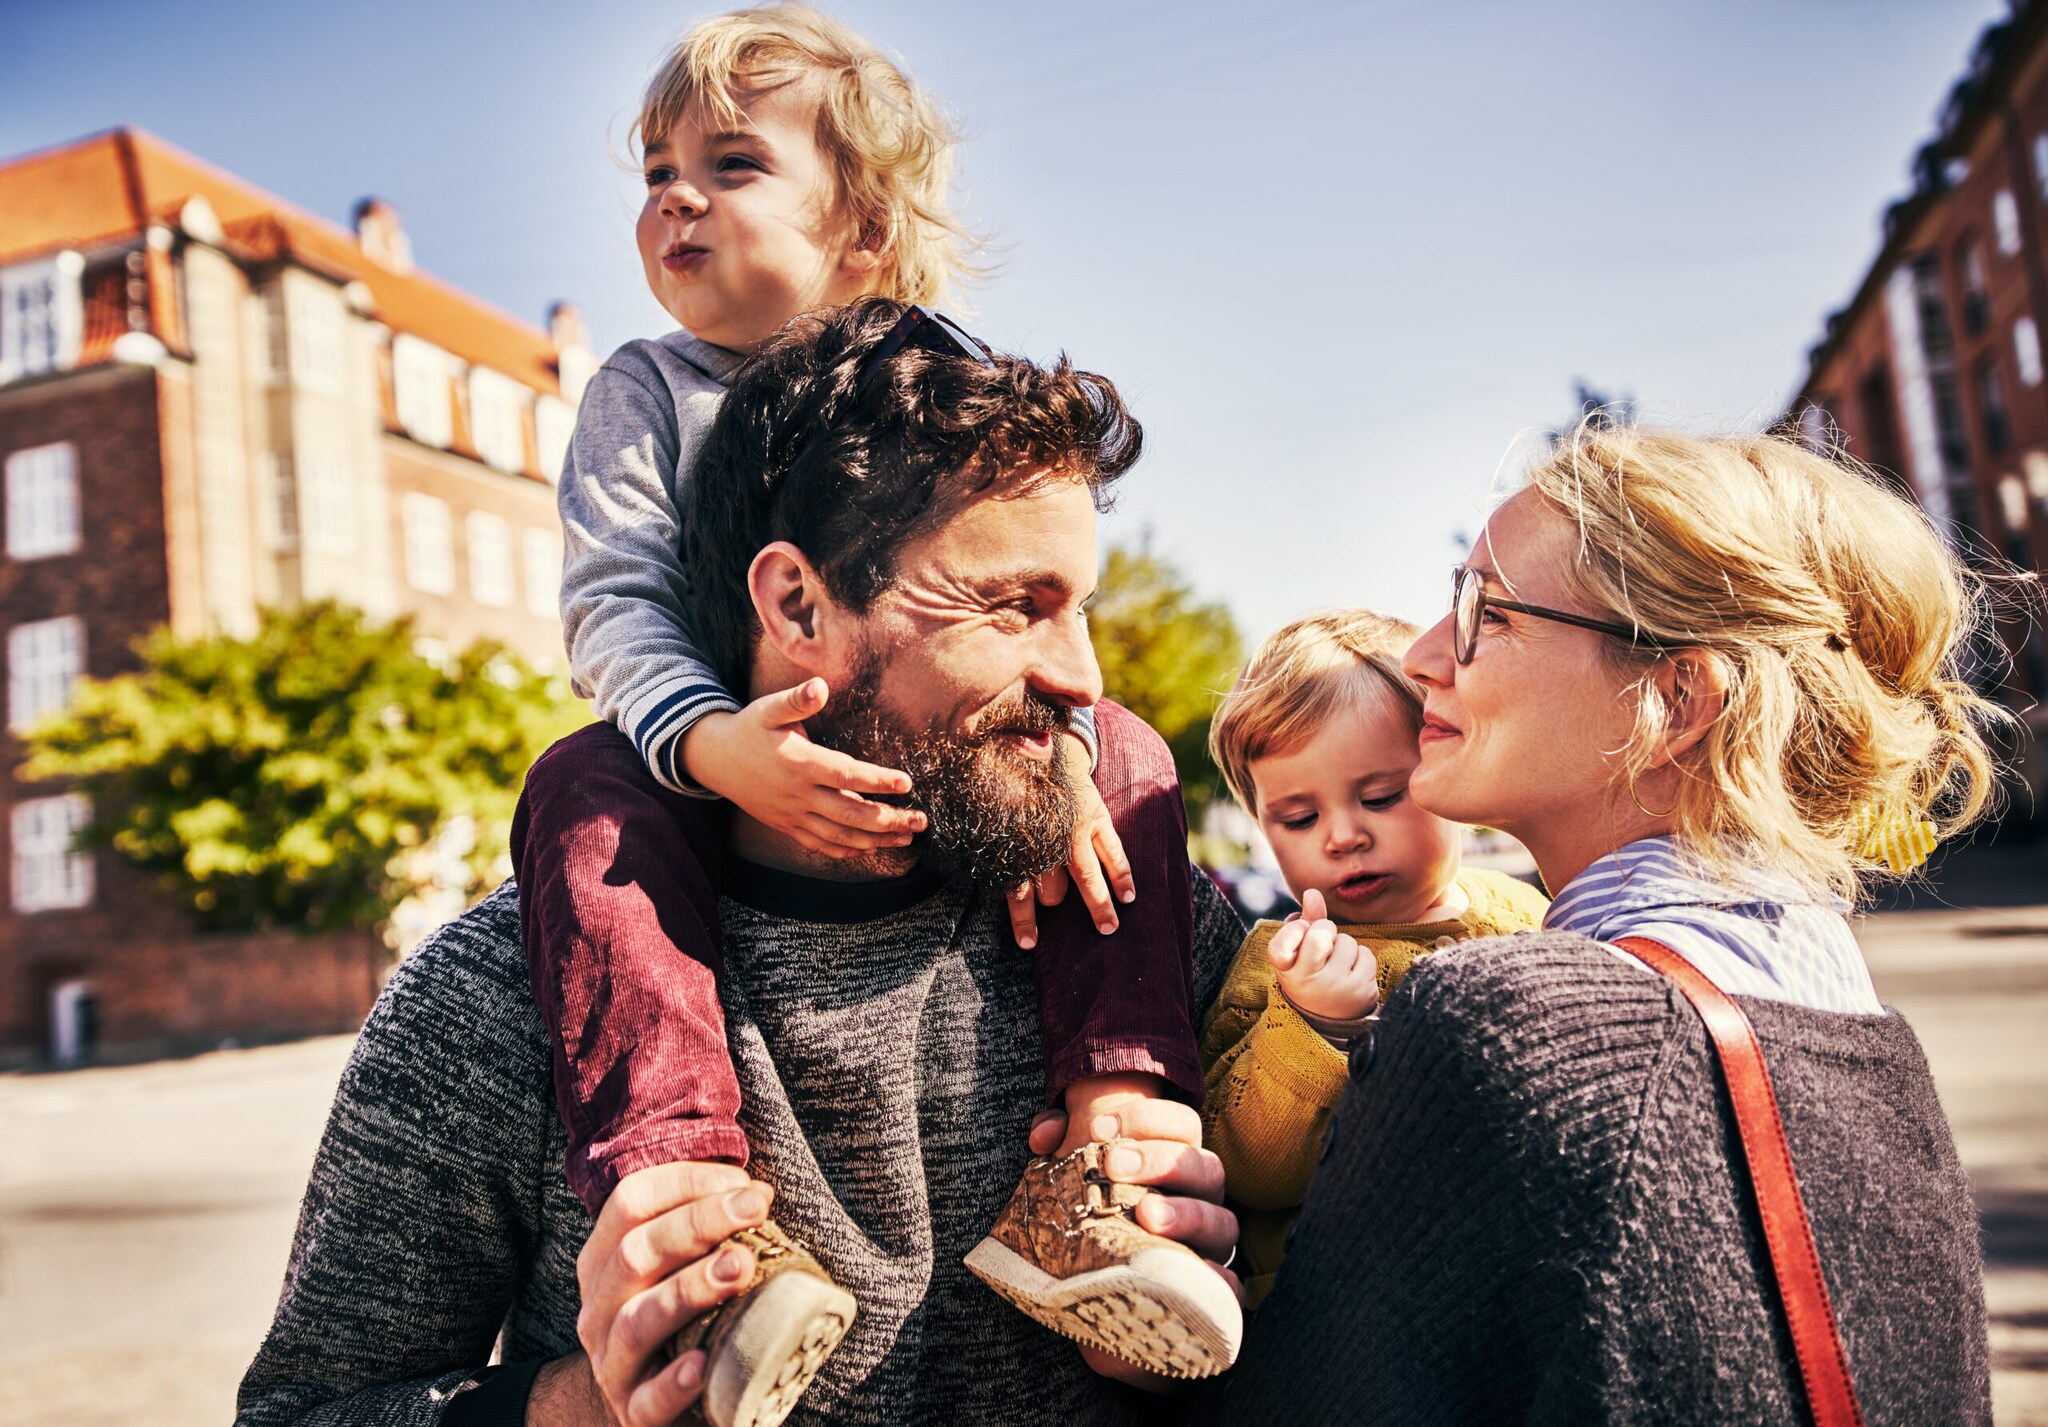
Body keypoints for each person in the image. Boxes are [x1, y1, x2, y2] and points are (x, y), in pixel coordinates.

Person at [236, 300, 1246, 1427]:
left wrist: (1205, 1353)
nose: (1083, 678)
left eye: (1080, 609)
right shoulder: (496, 992)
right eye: (1013, 606)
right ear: (796, 602)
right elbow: (303, 1411)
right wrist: (596, 1403)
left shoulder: (1135, 915)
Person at [528, 6, 1210, 1409]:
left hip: (923, 775)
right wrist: (715, 745)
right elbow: (613, 602)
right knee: (579, 784)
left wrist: (1059, 758)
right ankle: (702, 1204)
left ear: (866, 231)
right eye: (655, 169)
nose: (673, 195)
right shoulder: (644, 390)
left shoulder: (946, 384)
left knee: (1130, 750)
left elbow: (1021, 600)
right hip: (702, 760)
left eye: (730, 162)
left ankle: (1101, 1162)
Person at [1212, 428, 2002, 1424]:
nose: (1419, 655)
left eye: (1483, 611)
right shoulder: (1846, 1014)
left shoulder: (1517, 1020)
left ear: (1674, 698)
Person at [1196, 608, 1548, 1305]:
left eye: (1381, 796)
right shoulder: (1281, 965)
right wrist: (1310, 1026)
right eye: (1299, 818)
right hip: (1338, 1317)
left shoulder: (1530, 912)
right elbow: (1245, 1171)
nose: (1343, 835)